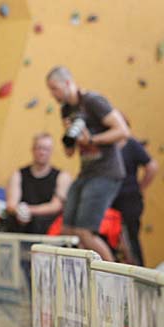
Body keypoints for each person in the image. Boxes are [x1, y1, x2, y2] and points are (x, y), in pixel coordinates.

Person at [46, 66, 130, 261]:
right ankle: (82, 274)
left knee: (85, 232)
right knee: (67, 231)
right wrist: (69, 137)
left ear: (68, 83)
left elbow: (122, 131)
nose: (52, 94)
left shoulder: (92, 101)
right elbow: (69, 152)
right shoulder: (66, 110)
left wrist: (91, 140)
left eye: (54, 88)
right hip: (86, 172)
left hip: (106, 172)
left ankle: (111, 275)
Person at [4, 133, 72, 234]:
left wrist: (29, 210)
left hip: (48, 225)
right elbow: (11, 204)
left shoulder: (62, 177)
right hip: (21, 222)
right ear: (32, 149)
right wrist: (19, 211)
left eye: (46, 149)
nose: (42, 152)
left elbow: (56, 206)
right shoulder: (18, 174)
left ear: (51, 151)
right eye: (39, 148)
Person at [111, 135, 158, 266]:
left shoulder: (130, 144)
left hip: (128, 199)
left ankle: (138, 272)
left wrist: (141, 187)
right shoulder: (107, 146)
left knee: (130, 242)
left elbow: (152, 167)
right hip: (111, 201)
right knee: (118, 243)